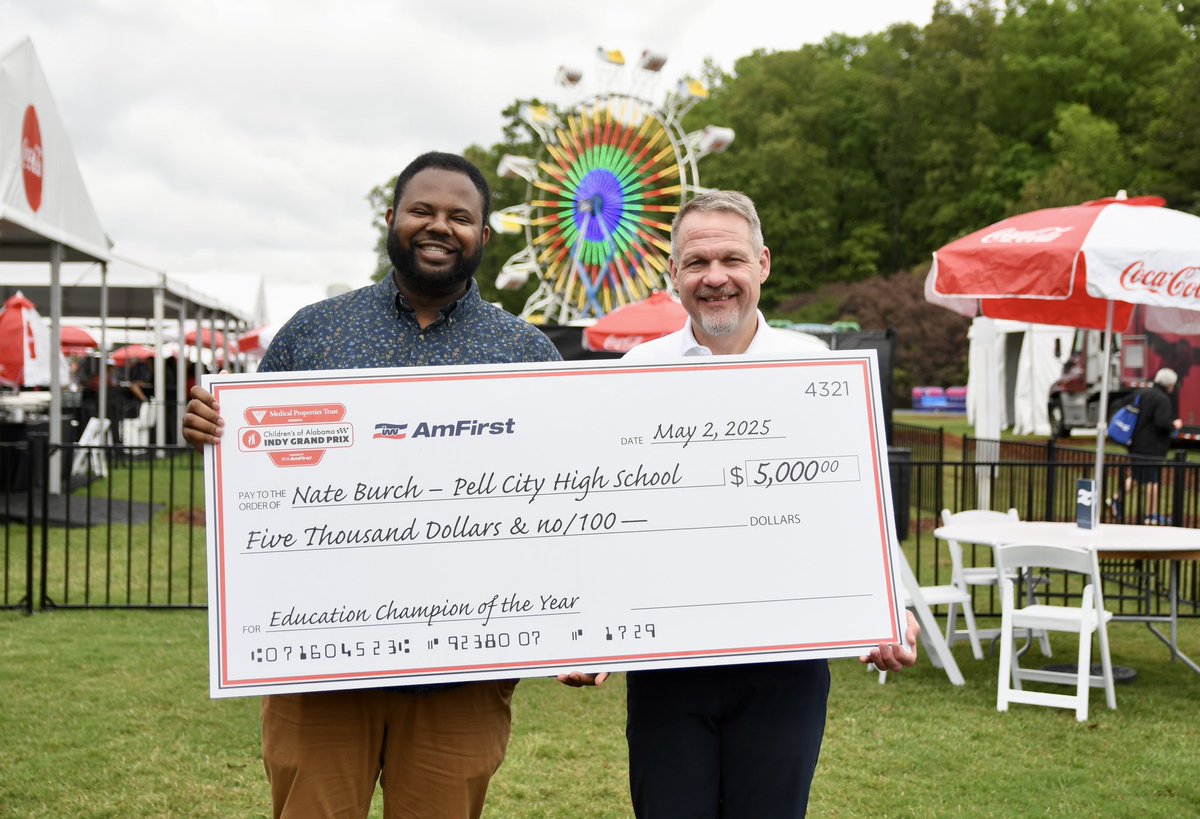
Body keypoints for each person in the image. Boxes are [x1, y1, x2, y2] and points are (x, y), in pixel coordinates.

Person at [183, 151, 561, 819]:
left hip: (461, 673)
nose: (438, 226)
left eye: (459, 217)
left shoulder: (527, 352)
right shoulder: (314, 332)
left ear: (483, 234)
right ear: (391, 219)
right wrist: (214, 431)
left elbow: (565, 493)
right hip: (319, 662)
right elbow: (252, 469)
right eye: (421, 210)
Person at [559, 190, 919, 818]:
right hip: (668, 666)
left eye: (732, 259)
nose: (715, 277)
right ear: (674, 273)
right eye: (697, 262)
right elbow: (606, 514)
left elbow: (855, 505)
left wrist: (888, 606)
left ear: (763, 264)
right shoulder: (636, 370)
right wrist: (588, 628)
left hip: (785, 665)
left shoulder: (816, 368)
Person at [1120, 367, 1182, 524]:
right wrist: (1174, 425)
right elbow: (1161, 423)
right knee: (1152, 481)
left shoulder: (1142, 393)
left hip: (1135, 443)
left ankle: (1116, 501)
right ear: (1169, 385)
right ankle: (1151, 515)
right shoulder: (1163, 399)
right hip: (1152, 447)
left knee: (1136, 477)